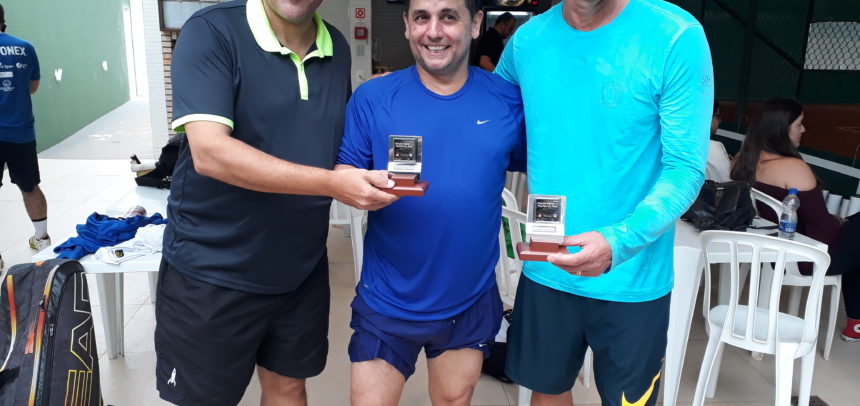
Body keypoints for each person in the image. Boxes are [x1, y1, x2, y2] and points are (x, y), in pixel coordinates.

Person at [156, 0, 398, 404]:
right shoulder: (212, 31)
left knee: (288, 387)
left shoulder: (336, 46)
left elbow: (329, 140)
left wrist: (387, 101)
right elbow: (210, 153)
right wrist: (332, 184)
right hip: (214, 270)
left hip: (300, 267)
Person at [495, 0, 713, 405]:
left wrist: (620, 240)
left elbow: (685, 168)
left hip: (632, 273)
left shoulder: (674, 35)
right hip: (547, 265)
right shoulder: (528, 40)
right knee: (547, 392)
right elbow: (490, 119)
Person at [336, 0, 526, 404]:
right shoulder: (373, 97)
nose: (434, 31)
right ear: (407, 24)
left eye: (449, 17)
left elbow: (551, 168)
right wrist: (357, 188)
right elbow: (345, 172)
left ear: (475, 24)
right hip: (387, 297)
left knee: (454, 400)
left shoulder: (507, 101)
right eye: (422, 17)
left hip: (469, 297)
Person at [731, 98, 860, 342]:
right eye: (799, 124)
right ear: (781, 129)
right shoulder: (792, 167)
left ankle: (857, 322)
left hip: (770, 249)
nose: (804, 130)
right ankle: (856, 322)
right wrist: (841, 222)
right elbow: (823, 229)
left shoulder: (742, 160)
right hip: (805, 257)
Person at [0, 2, 51, 271]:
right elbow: (32, 88)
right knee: (29, 186)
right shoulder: (24, 47)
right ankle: (42, 240)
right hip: (20, 132)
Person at [707, 101, 732, 182]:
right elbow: (727, 181)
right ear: (707, 115)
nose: (720, 121)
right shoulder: (714, 147)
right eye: (718, 117)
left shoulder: (676, 143)